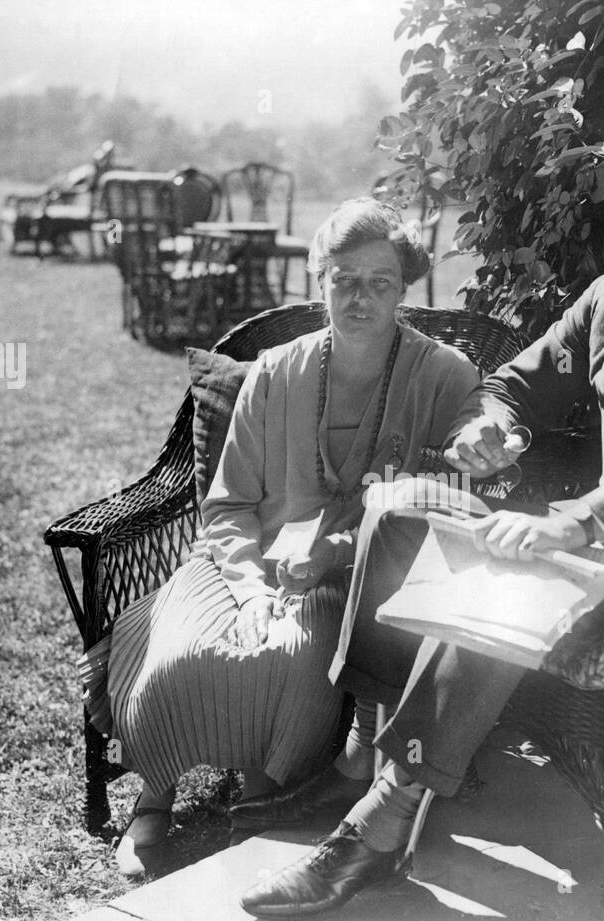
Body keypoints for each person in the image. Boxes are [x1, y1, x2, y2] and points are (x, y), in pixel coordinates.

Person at [239, 95, 604, 918]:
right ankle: (380, 759)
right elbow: (514, 382)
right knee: (404, 505)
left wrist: (580, 518)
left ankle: (380, 824)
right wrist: (494, 424)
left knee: (509, 573)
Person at [79, 197, 479, 876]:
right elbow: (228, 505)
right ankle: (155, 796)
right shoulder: (275, 372)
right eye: (343, 280)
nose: (360, 298)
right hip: (241, 561)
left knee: (293, 661)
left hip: (343, 582)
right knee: (183, 654)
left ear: (403, 291)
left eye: (380, 283)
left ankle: (261, 793)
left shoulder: (439, 374)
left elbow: (474, 440)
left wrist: (483, 436)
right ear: (319, 279)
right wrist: (250, 585)